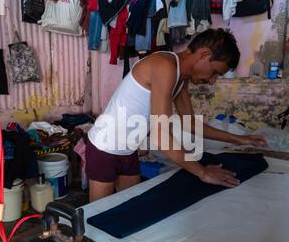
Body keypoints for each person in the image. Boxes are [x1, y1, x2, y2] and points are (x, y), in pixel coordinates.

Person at [86, 28, 267, 201]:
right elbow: (161, 138)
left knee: (129, 206)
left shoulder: (181, 78)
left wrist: (239, 139)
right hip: (105, 147)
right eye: (214, 73)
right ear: (203, 54)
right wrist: (202, 172)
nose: (212, 81)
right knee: (98, 214)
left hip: (128, 149)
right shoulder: (164, 67)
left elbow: (190, 124)